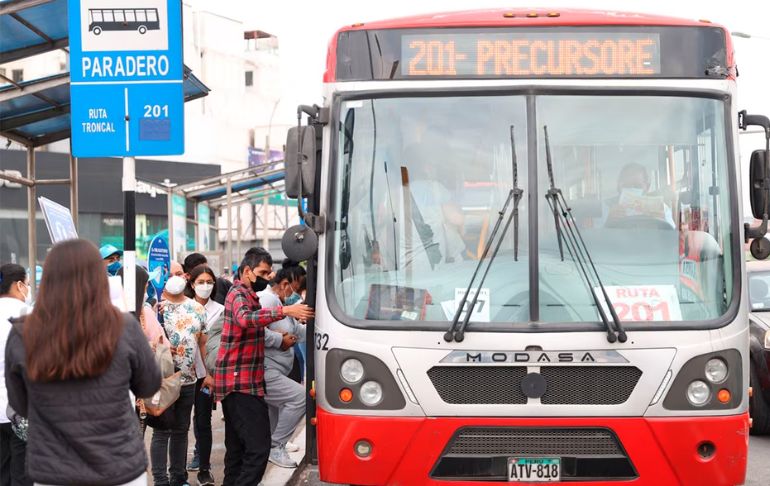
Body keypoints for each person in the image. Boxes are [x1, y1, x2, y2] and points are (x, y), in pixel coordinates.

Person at [4, 239, 161, 485]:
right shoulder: (124, 326)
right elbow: (149, 385)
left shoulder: (23, 333)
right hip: (120, 467)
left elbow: (20, 405)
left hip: (54, 471)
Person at [213, 248, 314, 485]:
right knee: (258, 450)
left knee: (237, 453)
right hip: (240, 383)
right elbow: (245, 319)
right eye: (263, 272)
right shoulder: (238, 293)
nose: (268, 277)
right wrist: (286, 310)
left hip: (246, 382)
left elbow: (257, 328)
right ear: (247, 271)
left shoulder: (252, 296)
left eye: (269, 272)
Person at [151, 272, 207, 486]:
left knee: (181, 430)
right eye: (171, 274)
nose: (175, 277)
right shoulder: (155, 309)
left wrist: (208, 372)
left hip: (188, 379)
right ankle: (160, 480)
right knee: (161, 430)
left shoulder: (197, 308)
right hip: (162, 380)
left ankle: (178, 477)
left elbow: (202, 342)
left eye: (179, 273)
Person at [259, 268, 307, 468]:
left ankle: (266, 456)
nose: (294, 293)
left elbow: (298, 332)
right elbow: (255, 327)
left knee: (271, 421)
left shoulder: (283, 306)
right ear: (285, 284)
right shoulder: (269, 300)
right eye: (293, 287)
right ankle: (276, 446)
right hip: (265, 370)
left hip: (278, 371)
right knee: (300, 397)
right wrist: (279, 339)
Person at [185, 265, 223, 486]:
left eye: (209, 282)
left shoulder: (220, 309)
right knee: (179, 425)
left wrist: (211, 373)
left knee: (203, 421)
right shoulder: (183, 308)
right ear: (192, 284)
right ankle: (177, 470)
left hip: (207, 376)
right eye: (201, 282)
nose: (205, 286)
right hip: (185, 374)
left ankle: (204, 469)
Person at [0, 264, 32, 486]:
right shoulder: (29, 315)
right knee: (23, 475)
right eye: (28, 284)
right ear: (19, 285)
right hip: (22, 410)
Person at [602, 163, 675, 229]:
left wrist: (663, 223)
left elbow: (674, 238)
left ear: (647, 187)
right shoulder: (605, 208)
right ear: (618, 186)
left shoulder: (662, 208)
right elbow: (594, 240)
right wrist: (608, 223)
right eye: (626, 186)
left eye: (637, 186)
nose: (631, 190)